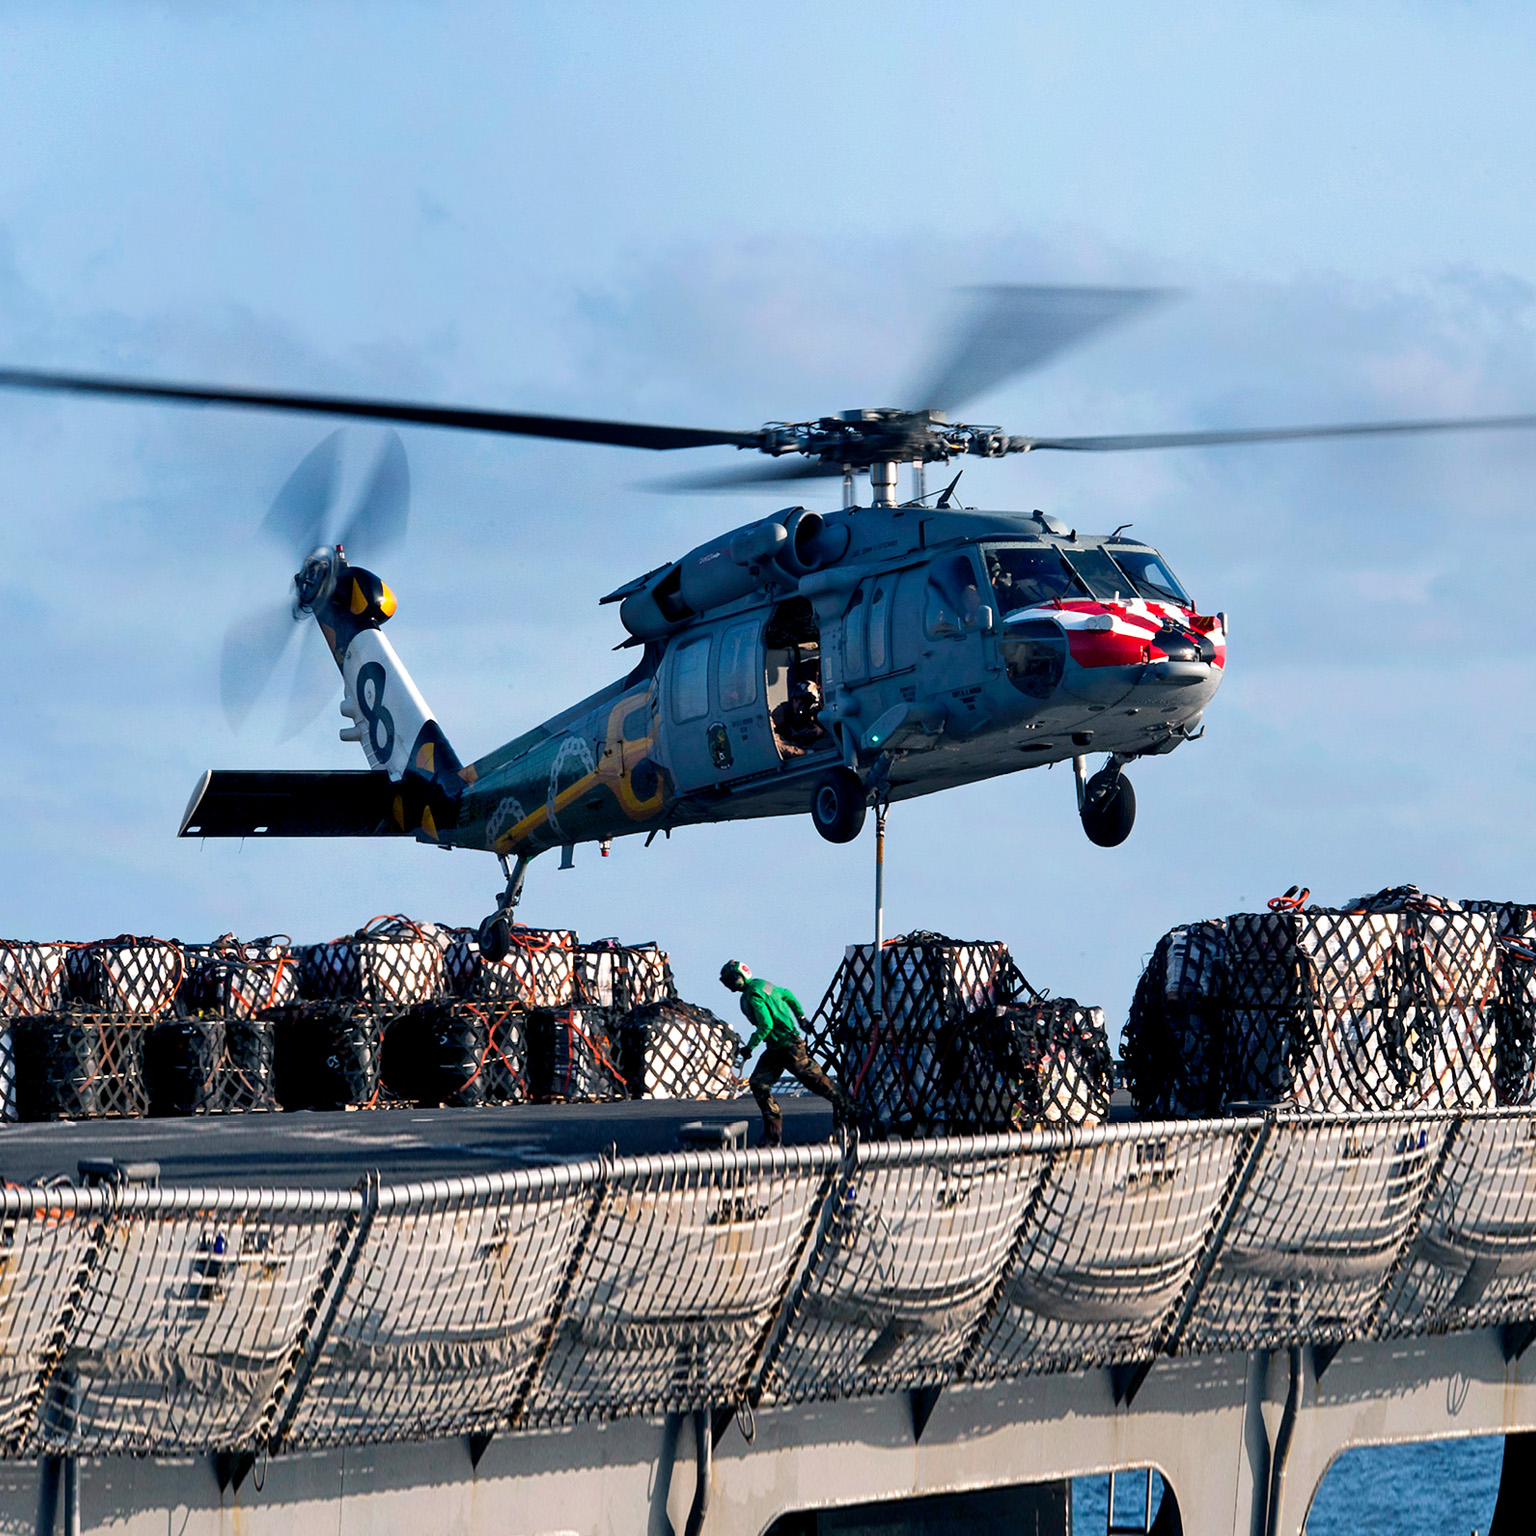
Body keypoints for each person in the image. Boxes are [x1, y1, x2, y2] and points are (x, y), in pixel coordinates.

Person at [720, 959, 845, 1146]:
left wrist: (749, 1048)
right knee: (759, 1083)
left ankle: (853, 1116)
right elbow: (788, 995)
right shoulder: (763, 985)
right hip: (779, 1047)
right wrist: (801, 1018)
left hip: (787, 1047)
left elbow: (766, 1025)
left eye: (731, 979)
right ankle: (772, 1136)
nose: (729, 984)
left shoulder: (751, 995)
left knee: (820, 1084)